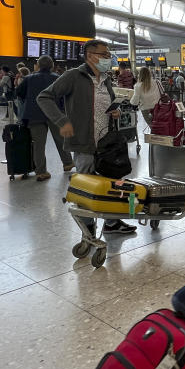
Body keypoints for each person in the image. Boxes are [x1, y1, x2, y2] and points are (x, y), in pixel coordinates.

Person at [37, 39, 136, 235]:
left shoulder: (106, 78)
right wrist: (62, 121)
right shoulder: (73, 76)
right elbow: (44, 97)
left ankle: (112, 223)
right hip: (84, 142)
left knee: (110, 184)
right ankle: (88, 230)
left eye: (109, 55)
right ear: (91, 56)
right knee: (86, 187)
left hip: (107, 143)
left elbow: (103, 105)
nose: (108, 58)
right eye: (104, 55)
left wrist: (114, 112)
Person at [17, 56, 73, 181]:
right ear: (52, 66)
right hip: (54, 113)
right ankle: (68, 163)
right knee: (61, 140)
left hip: (34, 115)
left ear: (37, 65)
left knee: (39, 145)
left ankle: (41, 172)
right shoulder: (57, 78)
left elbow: (19, 93)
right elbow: (65, 96)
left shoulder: (29, 78)